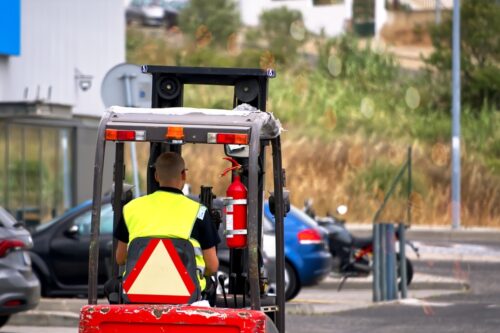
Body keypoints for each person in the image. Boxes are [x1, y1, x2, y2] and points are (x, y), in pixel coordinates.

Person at [114, 151, 220, 293]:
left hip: (139, 292)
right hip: (186, 294)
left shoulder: (130, 209)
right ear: (183, 175)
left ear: (156, 176)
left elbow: (120, 259)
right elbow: (212, 266)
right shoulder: (199, 212)